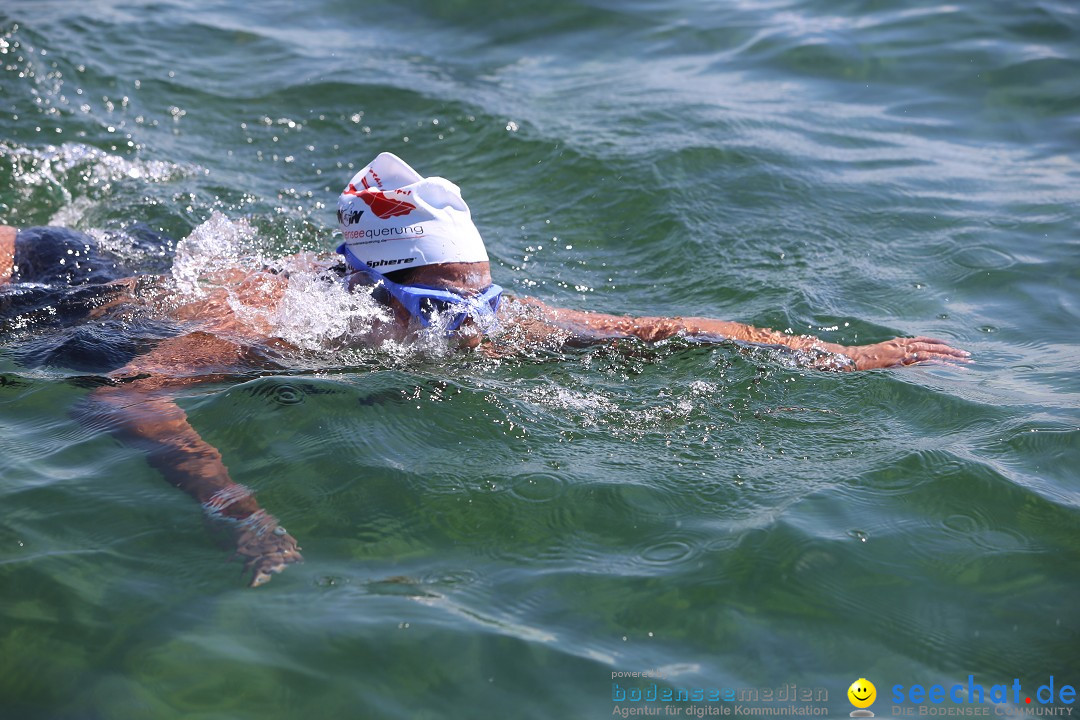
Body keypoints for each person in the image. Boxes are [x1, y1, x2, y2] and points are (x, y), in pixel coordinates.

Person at [0, 152, 969, 586]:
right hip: (70, 297)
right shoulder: (276, 326)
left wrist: (836, 354)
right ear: (375, 288)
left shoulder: (489, 315)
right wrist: (235, 508)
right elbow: (126, 399)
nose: (468, 325)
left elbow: (655, 329)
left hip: (152, 264)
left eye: (480, 297)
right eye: (441, 301)